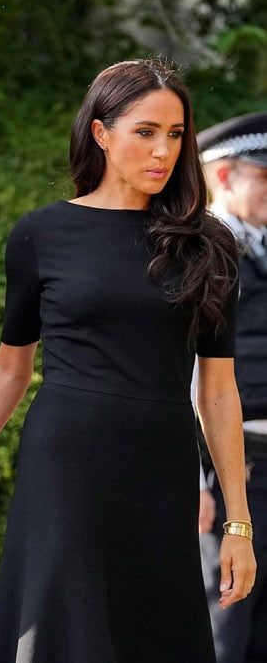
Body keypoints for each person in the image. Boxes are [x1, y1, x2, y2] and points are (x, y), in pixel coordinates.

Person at [0, 60, 256, 662]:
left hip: (161, 470)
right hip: (65, 466)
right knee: (58, 635)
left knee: (150, 636)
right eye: (145, 132)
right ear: (101, 133)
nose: (164, 151)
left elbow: (219, 391)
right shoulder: (40, 235)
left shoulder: (207, 244)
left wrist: (238, 523)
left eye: (175, 135)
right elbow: (10, 368)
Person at [199, 111, 267, 663]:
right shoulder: (197, 252)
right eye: (265, 177)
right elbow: (181, 375)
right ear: (225, 177)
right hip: (227, 471)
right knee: (225, 623)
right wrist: (196, 478)